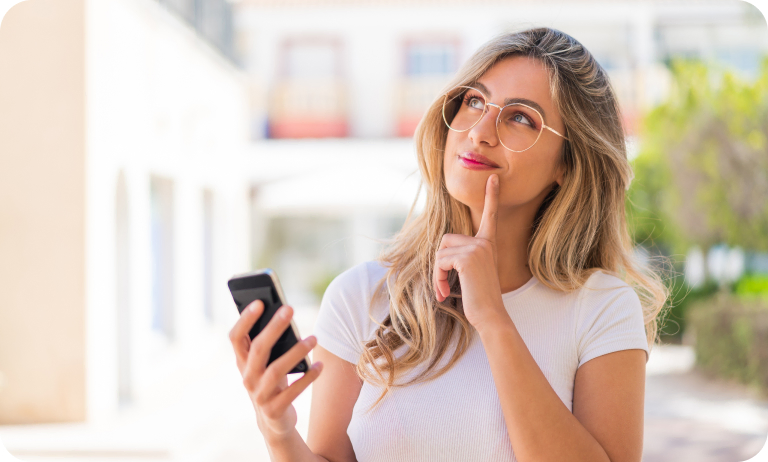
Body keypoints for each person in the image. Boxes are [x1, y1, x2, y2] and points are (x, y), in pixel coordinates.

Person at [228, 27, 671, 462]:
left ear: (568, 165)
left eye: (520, 118)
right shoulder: (360, 296)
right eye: (474, 101)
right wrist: (278, 431)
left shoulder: (602, 308)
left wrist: (493, 319)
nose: (480, 131)